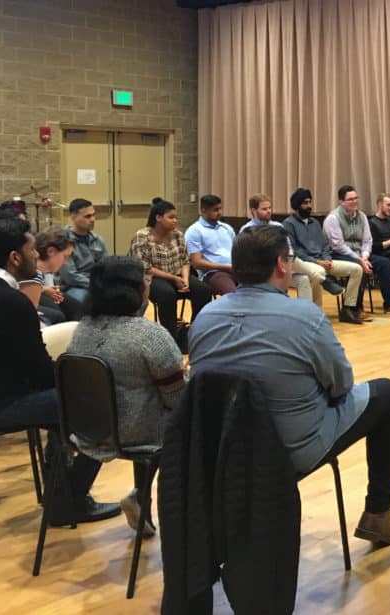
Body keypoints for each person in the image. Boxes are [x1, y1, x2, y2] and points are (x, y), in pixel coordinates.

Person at [188, 225, 390, 545]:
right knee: (389, 394)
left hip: (222, 449)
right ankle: (377, 514)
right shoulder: (305, 316)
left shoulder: (205, 316)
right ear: (281, 264)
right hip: (289, 451)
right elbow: (342, 384)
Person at [0, 217, 119, 526]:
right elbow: (38, 373)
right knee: (101, 404)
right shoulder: (11, 302)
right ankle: (70, 500)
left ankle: (61, 497)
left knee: (65, 407)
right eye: (30, 251)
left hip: (8, 389)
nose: (35, 257)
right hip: (6, 401)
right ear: (14, 258)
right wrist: (82, 381)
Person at [67, 256, 186, 536]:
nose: (149, 282)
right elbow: (177, 400)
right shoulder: (150, 336)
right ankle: (154, 502)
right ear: (132, 289)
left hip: (89, 427)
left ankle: (134, 498)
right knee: (185, 417)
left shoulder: (83, 327)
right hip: (136, 432)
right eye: (145, 278)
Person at [281, 188, 366, 324]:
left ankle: (347, 309)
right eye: (305, 203)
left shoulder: (314, 223)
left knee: (357, 269)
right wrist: (317, 261)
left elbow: (325, 244)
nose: (309, 206)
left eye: (310, 202)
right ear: (297, 206)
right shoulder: (288, 224)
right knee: (316, 273)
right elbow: (295, 250)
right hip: (304, 263)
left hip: (324, 262)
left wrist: (326, 259)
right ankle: (314, 309)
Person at [130, 198, 212, 336]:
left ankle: (196, 332)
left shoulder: (178, 235)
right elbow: (145, 267)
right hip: (153, 278)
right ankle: (170, 335)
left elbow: (185, 260)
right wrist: (174, 278)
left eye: (176, 217)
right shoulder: (142, 236)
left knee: (203, 290)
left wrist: (185, 279)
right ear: (158, 218)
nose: (175, 221)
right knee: (167, 294)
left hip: (178, 275)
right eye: (171, 217)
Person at [324, 185, 390, 316]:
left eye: (356, 198)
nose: (355, 201)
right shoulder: (333, 218)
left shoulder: (361, 216)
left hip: (360, 254)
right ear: (341, 202)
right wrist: (360, 259)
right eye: (350, 199)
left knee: (384, 263)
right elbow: (338, 245)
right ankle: (356, 308)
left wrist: (365, 256)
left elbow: (367, 240)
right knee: (359, 267)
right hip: (339, 255)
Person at [19, 228, 82, 324]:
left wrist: (45, 290)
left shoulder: (46, 272)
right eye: (65, 257)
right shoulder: (31, 271)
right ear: (51, 251)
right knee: (57, 315)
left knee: (78, 308)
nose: (65, 262)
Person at [184, 194, 239, 295]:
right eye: (215, 210)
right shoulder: (195, 231)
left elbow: (237, 251)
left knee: (259, 289)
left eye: (220, 209)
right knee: (232, 294)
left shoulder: (226, 228)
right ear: (204, 210)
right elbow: (197, 263)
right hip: (213, 273)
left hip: (235, 269)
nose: (219, 213)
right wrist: (226, 267)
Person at [60, 198, 108, 304]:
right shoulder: (63, 241)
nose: (92, 219)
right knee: (84, 301)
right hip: (73, 287)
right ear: (73, 216)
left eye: (93, 215)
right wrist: (96, 284)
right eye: (87, 216)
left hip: (95, 283)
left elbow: (105, 267)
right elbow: (70, 276)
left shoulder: (98, 240)